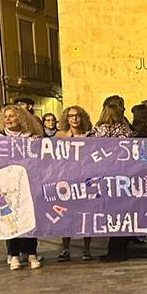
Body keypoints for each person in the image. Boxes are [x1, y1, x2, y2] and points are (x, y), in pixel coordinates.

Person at [0, 104, 45, 269]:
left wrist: (38, 143)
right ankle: (13, 255)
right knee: (11, 220)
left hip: (27, 183)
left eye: (11, 116)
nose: (8, 119)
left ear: (20, 118)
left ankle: (31, 254)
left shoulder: (31, 136)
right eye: (5, 116)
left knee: (29, 217)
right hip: (7, 184)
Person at [57, 106, 95, 262]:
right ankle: (65, 248)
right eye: (71, 116)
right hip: (67, 180)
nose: (74, 118)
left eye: (77, 115)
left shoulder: (91, 136)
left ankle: (86, 248)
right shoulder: (60, 136)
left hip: (87, 179)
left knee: (87, 214)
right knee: (66, 215)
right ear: (67, 119)